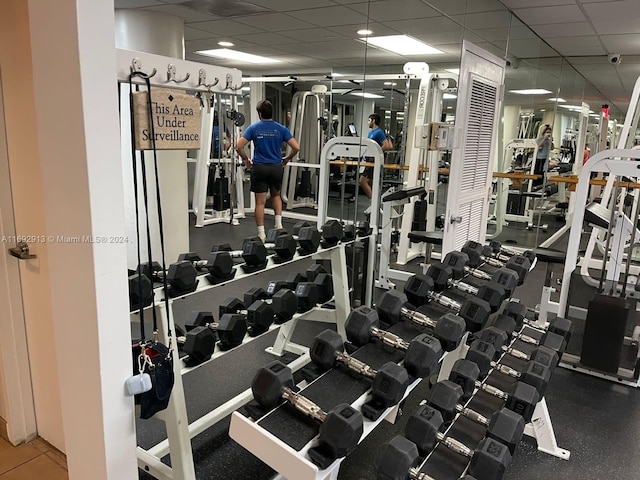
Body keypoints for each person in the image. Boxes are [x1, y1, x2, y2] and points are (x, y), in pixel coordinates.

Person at [236, 100, 300, 242]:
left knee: (260, 202)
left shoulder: (254, 128)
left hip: (260, 168)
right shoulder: (281, 128)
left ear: (259, 114)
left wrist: (246, 159)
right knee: (276, 196)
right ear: (271, 113)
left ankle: (261, 234)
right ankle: (278, 225)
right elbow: (296, 147)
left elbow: (238, 146)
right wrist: (287, 159)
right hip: (276, 167)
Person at [358, 113, 393, 211]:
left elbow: (387, 146)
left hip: (374, 162)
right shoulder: (371, 133)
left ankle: (373, 203)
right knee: (372, 183)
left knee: (363, 181)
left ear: (373, 121)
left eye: (369, 120)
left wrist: (376, 154)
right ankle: (375, 204)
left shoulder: (378, 132)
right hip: (369, 161)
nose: (368, 122)